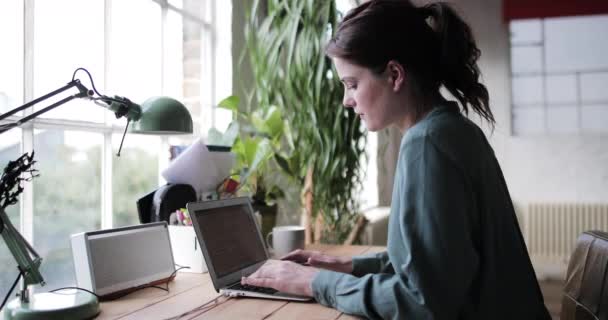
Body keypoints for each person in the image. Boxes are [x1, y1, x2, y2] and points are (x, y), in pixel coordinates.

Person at [241, 0, 552, 319]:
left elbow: (422, 302)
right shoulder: (454, 129)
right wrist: (348, 265)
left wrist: (316, 282)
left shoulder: (427, 143)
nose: (347, 101)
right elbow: (441, 262)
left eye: (352, 84)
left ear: (394, 74)